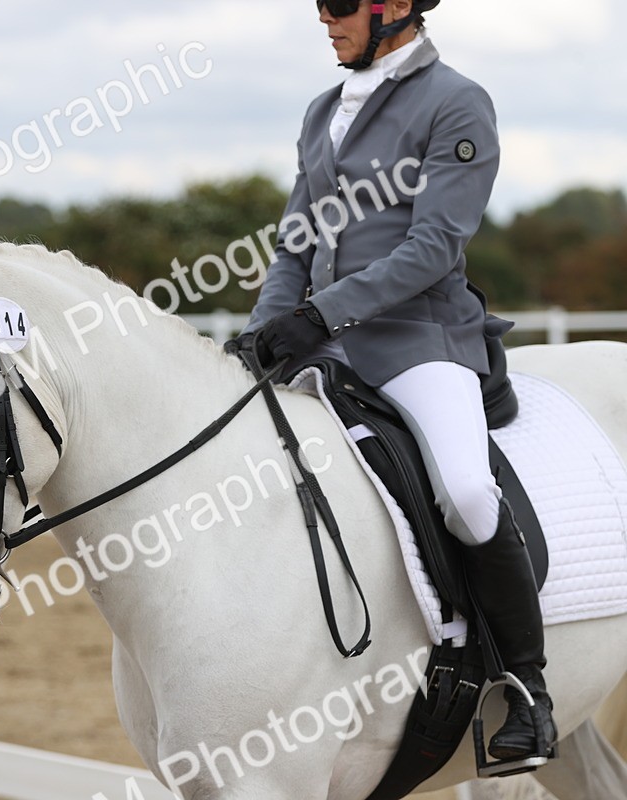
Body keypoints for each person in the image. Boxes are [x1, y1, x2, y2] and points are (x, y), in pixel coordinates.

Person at [235, 0, 556, 761]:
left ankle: (528, 689)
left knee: (467, 492)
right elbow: (293, 246)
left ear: (396, 9)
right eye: (318, 6)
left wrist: (322, 314)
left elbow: (434, 247)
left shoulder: (456, 102)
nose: (324, 20)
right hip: (328, 344)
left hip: (419, 342)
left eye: (339, 6)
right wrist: (263, 329)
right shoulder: (323, 111)